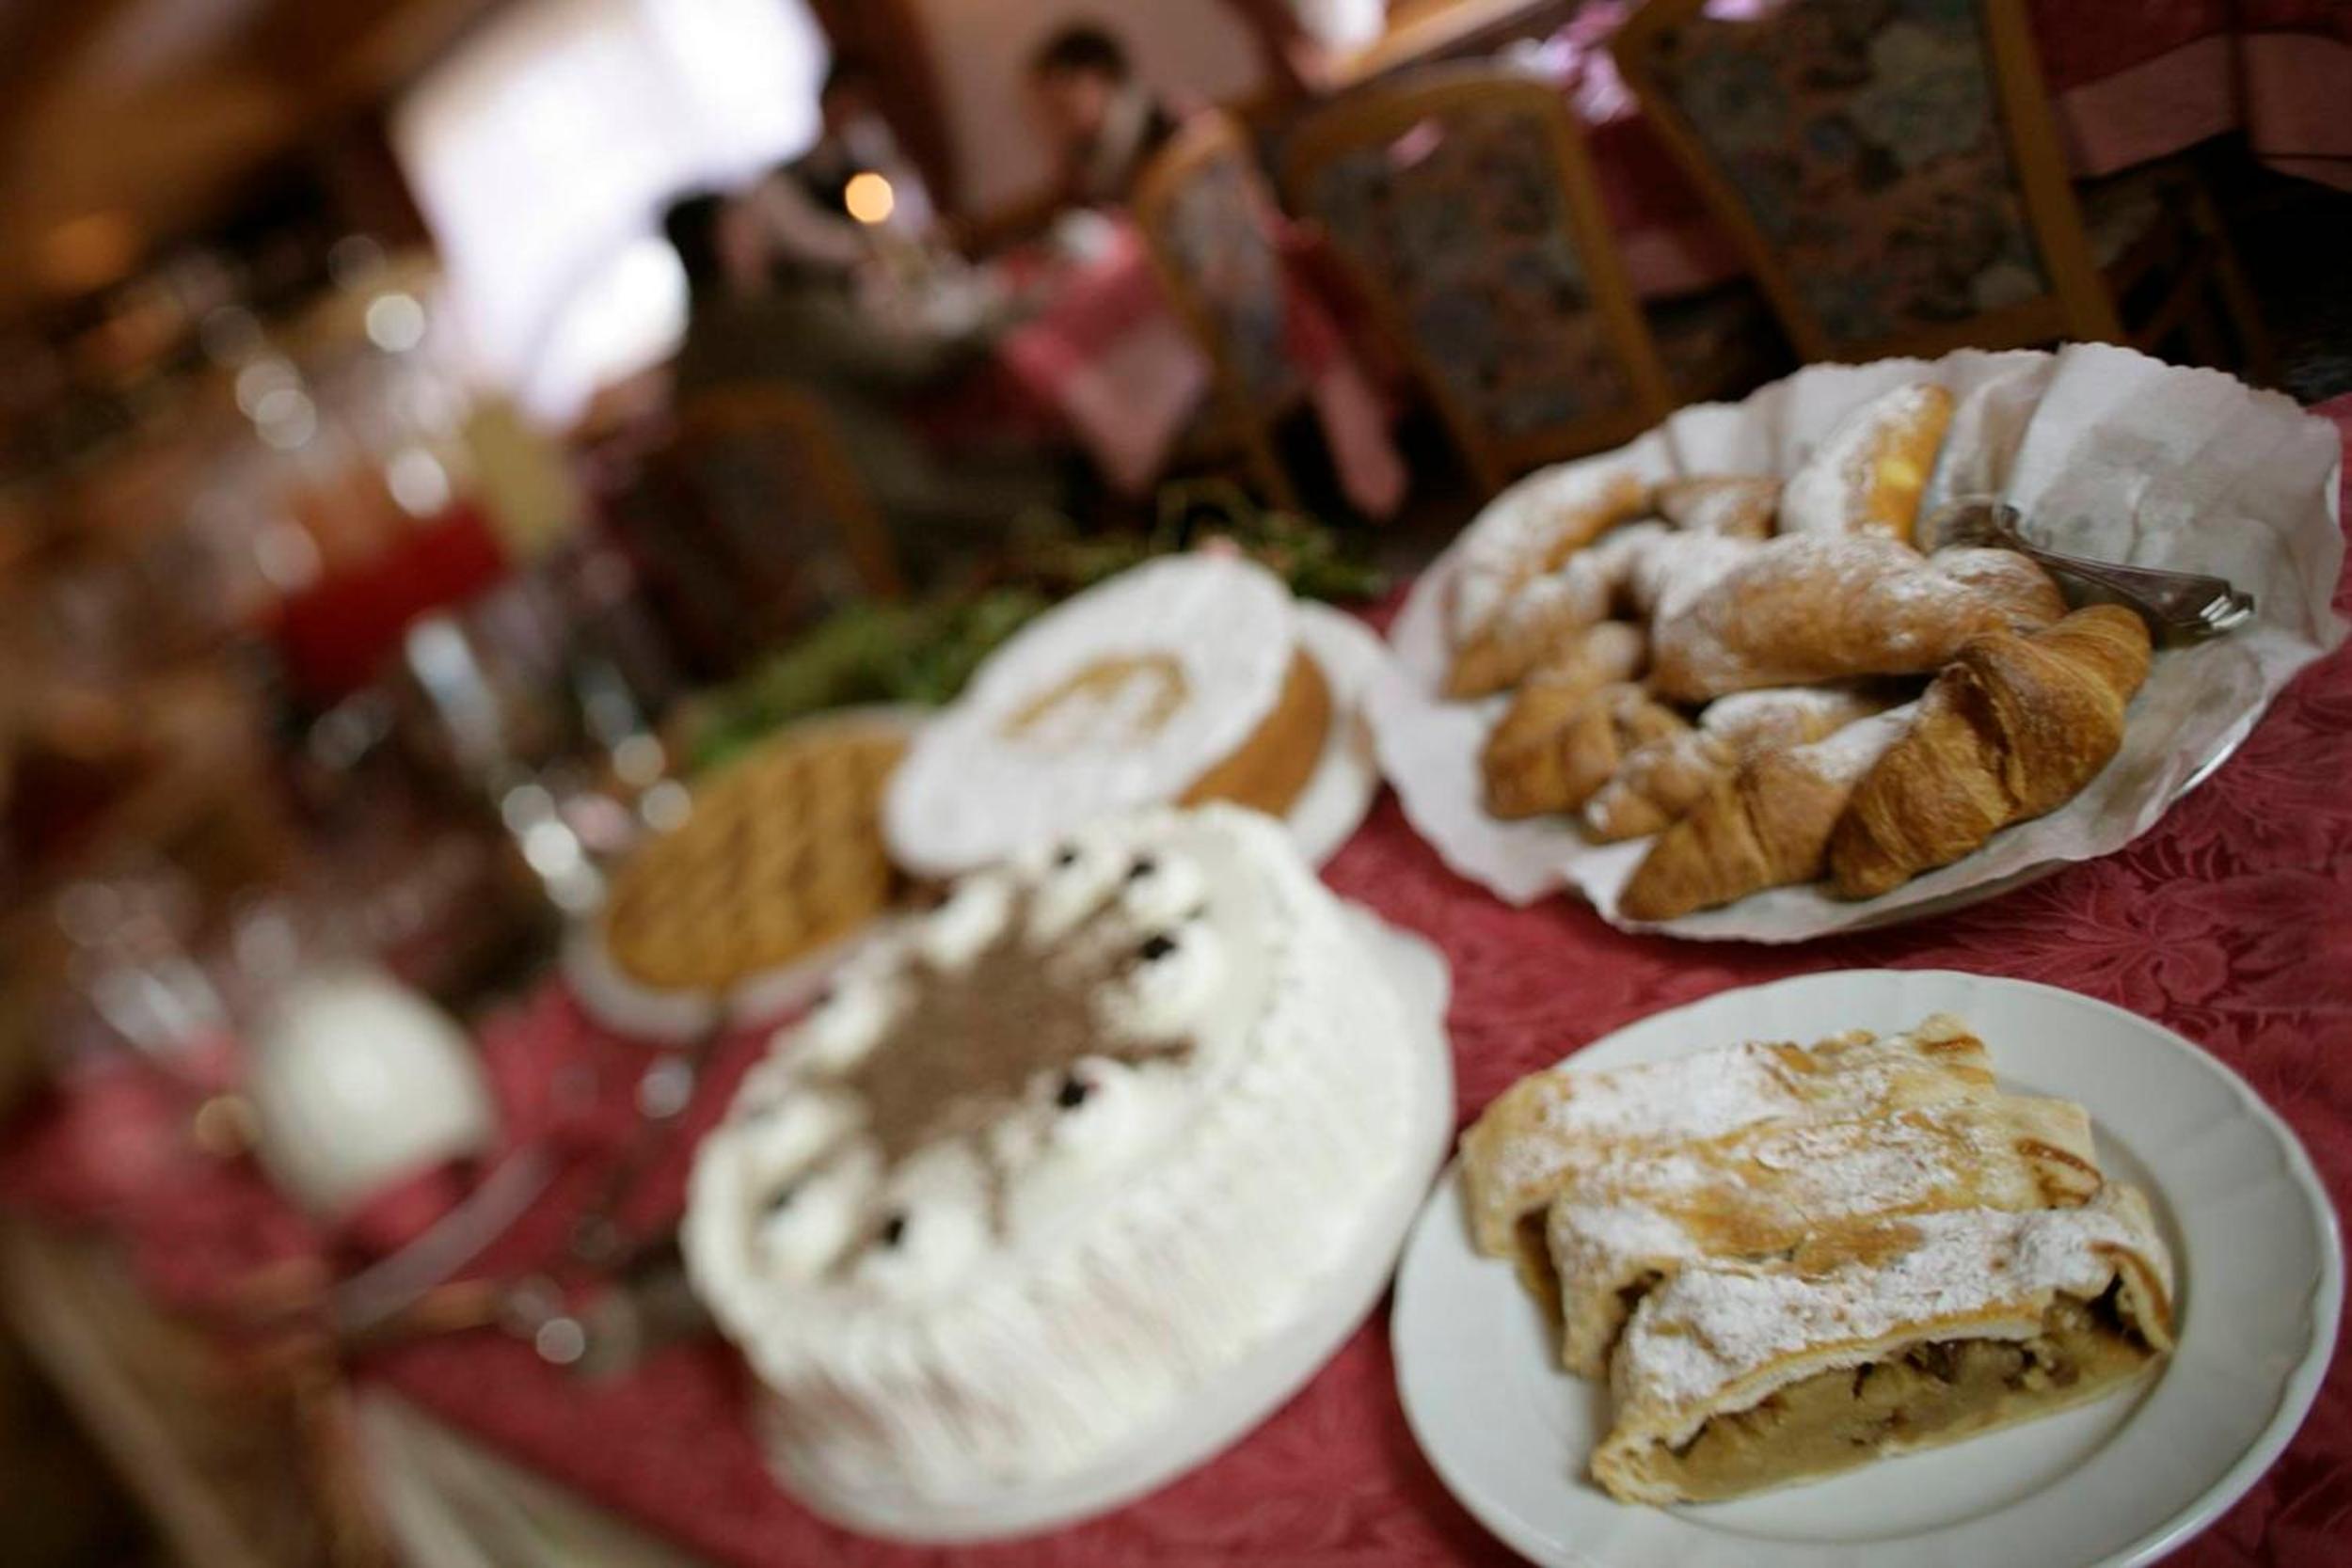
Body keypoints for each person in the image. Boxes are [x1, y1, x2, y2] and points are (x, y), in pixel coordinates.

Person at [661, 190, 1064, 580]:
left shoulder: (687, 369)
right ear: (727, 239)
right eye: (749, 224)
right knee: (1054, 465)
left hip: (793, 567)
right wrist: (1011, 311)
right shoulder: (788, 322)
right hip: (899, 513)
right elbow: (919, 364)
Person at [1026, 23, 1181, 210]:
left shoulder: (1163, 128)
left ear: (1100, 77)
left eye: (1062, 107)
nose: (1058, 124)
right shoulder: (1089, 160)